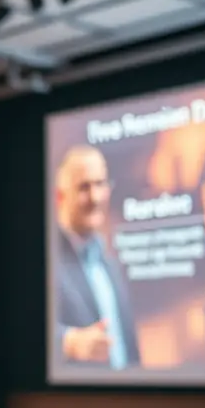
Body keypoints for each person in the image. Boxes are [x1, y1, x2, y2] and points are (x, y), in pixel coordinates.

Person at [52, 145, 140, 368]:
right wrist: (67, 343)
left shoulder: (108, 259)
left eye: (100, 184)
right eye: (84, 187)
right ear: (60, 197)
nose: (95, 196)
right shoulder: (45, 260)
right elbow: (21, 329)